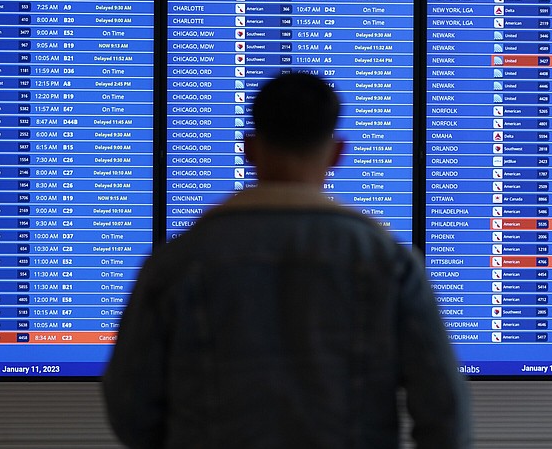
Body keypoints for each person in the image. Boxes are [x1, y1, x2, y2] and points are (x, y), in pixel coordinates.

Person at [102, 72, 471, 448]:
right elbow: (444, 412)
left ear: (248, 148)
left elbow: (129, 408)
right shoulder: (388, 263)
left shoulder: (175, 264)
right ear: (337, 153)